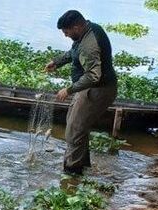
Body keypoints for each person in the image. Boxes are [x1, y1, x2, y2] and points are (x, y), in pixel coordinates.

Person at [44, 10, 118, 175]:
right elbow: (74, 52)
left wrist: (69, 90)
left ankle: (72, 172)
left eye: (67, 32)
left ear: (76, 26)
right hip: (89, 88)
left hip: (98, 90)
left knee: (76, 129)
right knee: (74, 124)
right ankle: (81, 166)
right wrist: (57, 62)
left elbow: (93, 76)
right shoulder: (86, 31)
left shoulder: (90, 44)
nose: (65, 35)